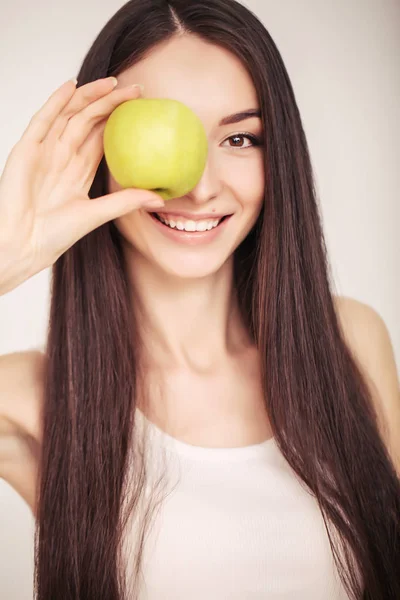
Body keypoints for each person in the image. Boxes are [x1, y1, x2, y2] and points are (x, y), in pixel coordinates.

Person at [0, 0, 399, 598]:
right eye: (167, 132)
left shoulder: (351, 339)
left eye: (240, 138)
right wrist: (8, 257)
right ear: (95, 155)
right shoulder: (29, 400)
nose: (200, 186)